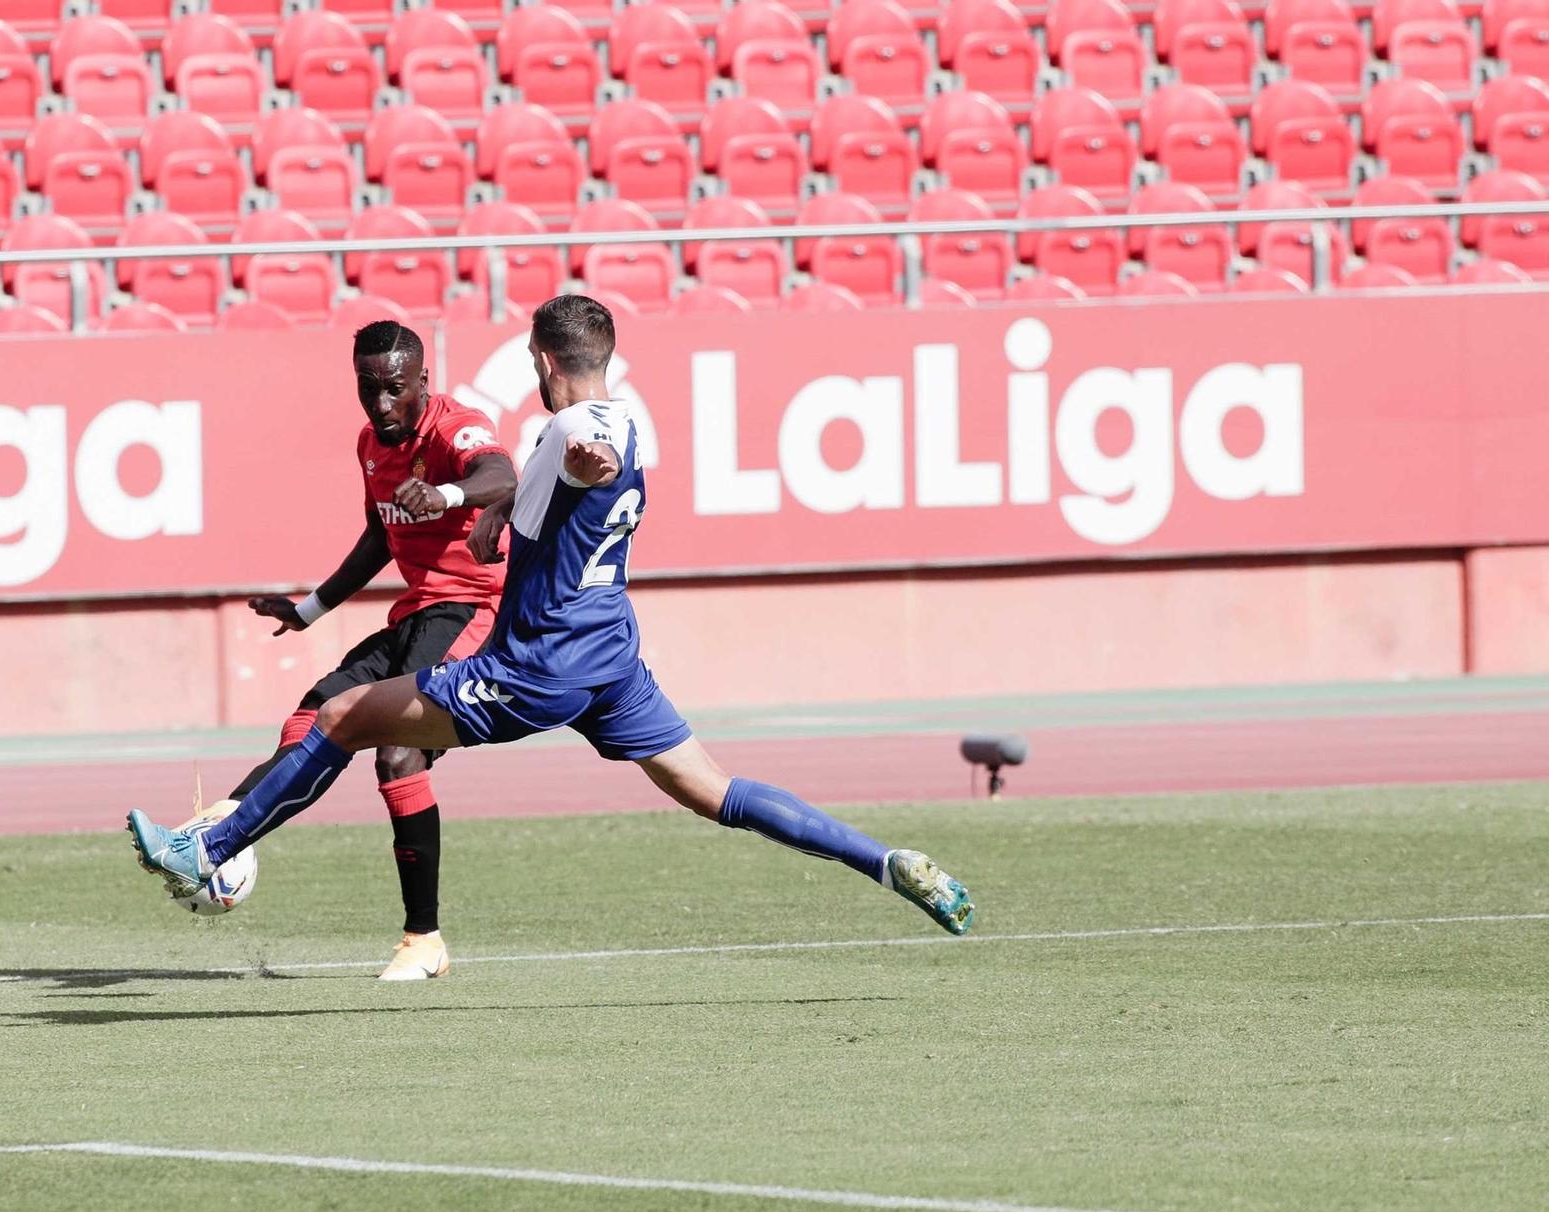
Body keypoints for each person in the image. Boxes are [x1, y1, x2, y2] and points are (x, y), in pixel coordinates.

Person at [130, 296, 973, 945]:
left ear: (542, 357)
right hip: (613, 656)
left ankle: (211, 847)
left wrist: (556, 476)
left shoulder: (569, 432)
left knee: (345, 716)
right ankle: (885, 861)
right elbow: (555, 489)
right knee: (717, 789)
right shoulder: (632, 419)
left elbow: (574, 461)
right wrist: (514, 509)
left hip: (537, 662)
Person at [189, 320, 516, 981]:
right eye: (368, 389)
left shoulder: (456, 428)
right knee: (312, 712)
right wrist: (310, 609)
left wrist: (449, 493)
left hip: (475, 615)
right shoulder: (370, 442)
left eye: (394, 389)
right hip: (417, 614)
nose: (381, 404)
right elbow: (379, 535)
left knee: (398, 751)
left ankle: (424, 940)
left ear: (423, 381)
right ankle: (221, 826)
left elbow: (500, 473)